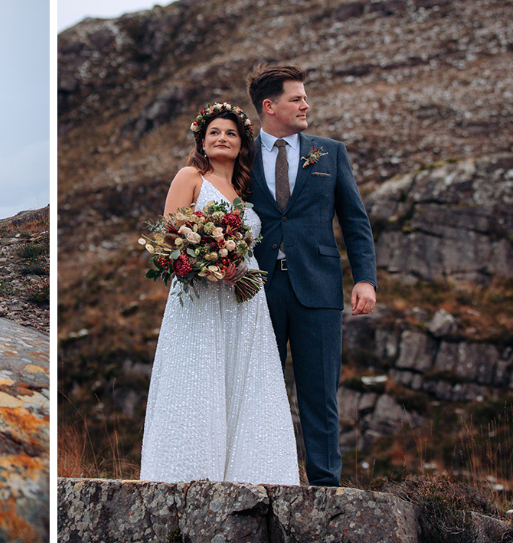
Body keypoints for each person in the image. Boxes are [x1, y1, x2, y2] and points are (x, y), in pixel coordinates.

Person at [139, 102, 299, 486]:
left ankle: (249, 471)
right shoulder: (191, 176)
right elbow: (168, 241)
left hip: (244, 298)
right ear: (202, 139)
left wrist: (235, 268)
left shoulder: (246, 189)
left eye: (230, 133)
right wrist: (205, 264)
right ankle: (188, 470)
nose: (222, 138)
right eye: (214, 133)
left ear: (242, 143)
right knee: (198, 373)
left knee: (246, 379)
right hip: (200, 297)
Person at [246, 64, 377, 487]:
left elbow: (355, 220)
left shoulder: (330, 152)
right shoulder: (240, 157)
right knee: (257, 390)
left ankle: (325, 484)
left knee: (319, 393)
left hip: (318, 286)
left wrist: (365, 278)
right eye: (296, 98)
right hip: (255, 289)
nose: (306, 104)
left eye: (305, 97)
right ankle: (262, 476)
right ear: (270, 107)